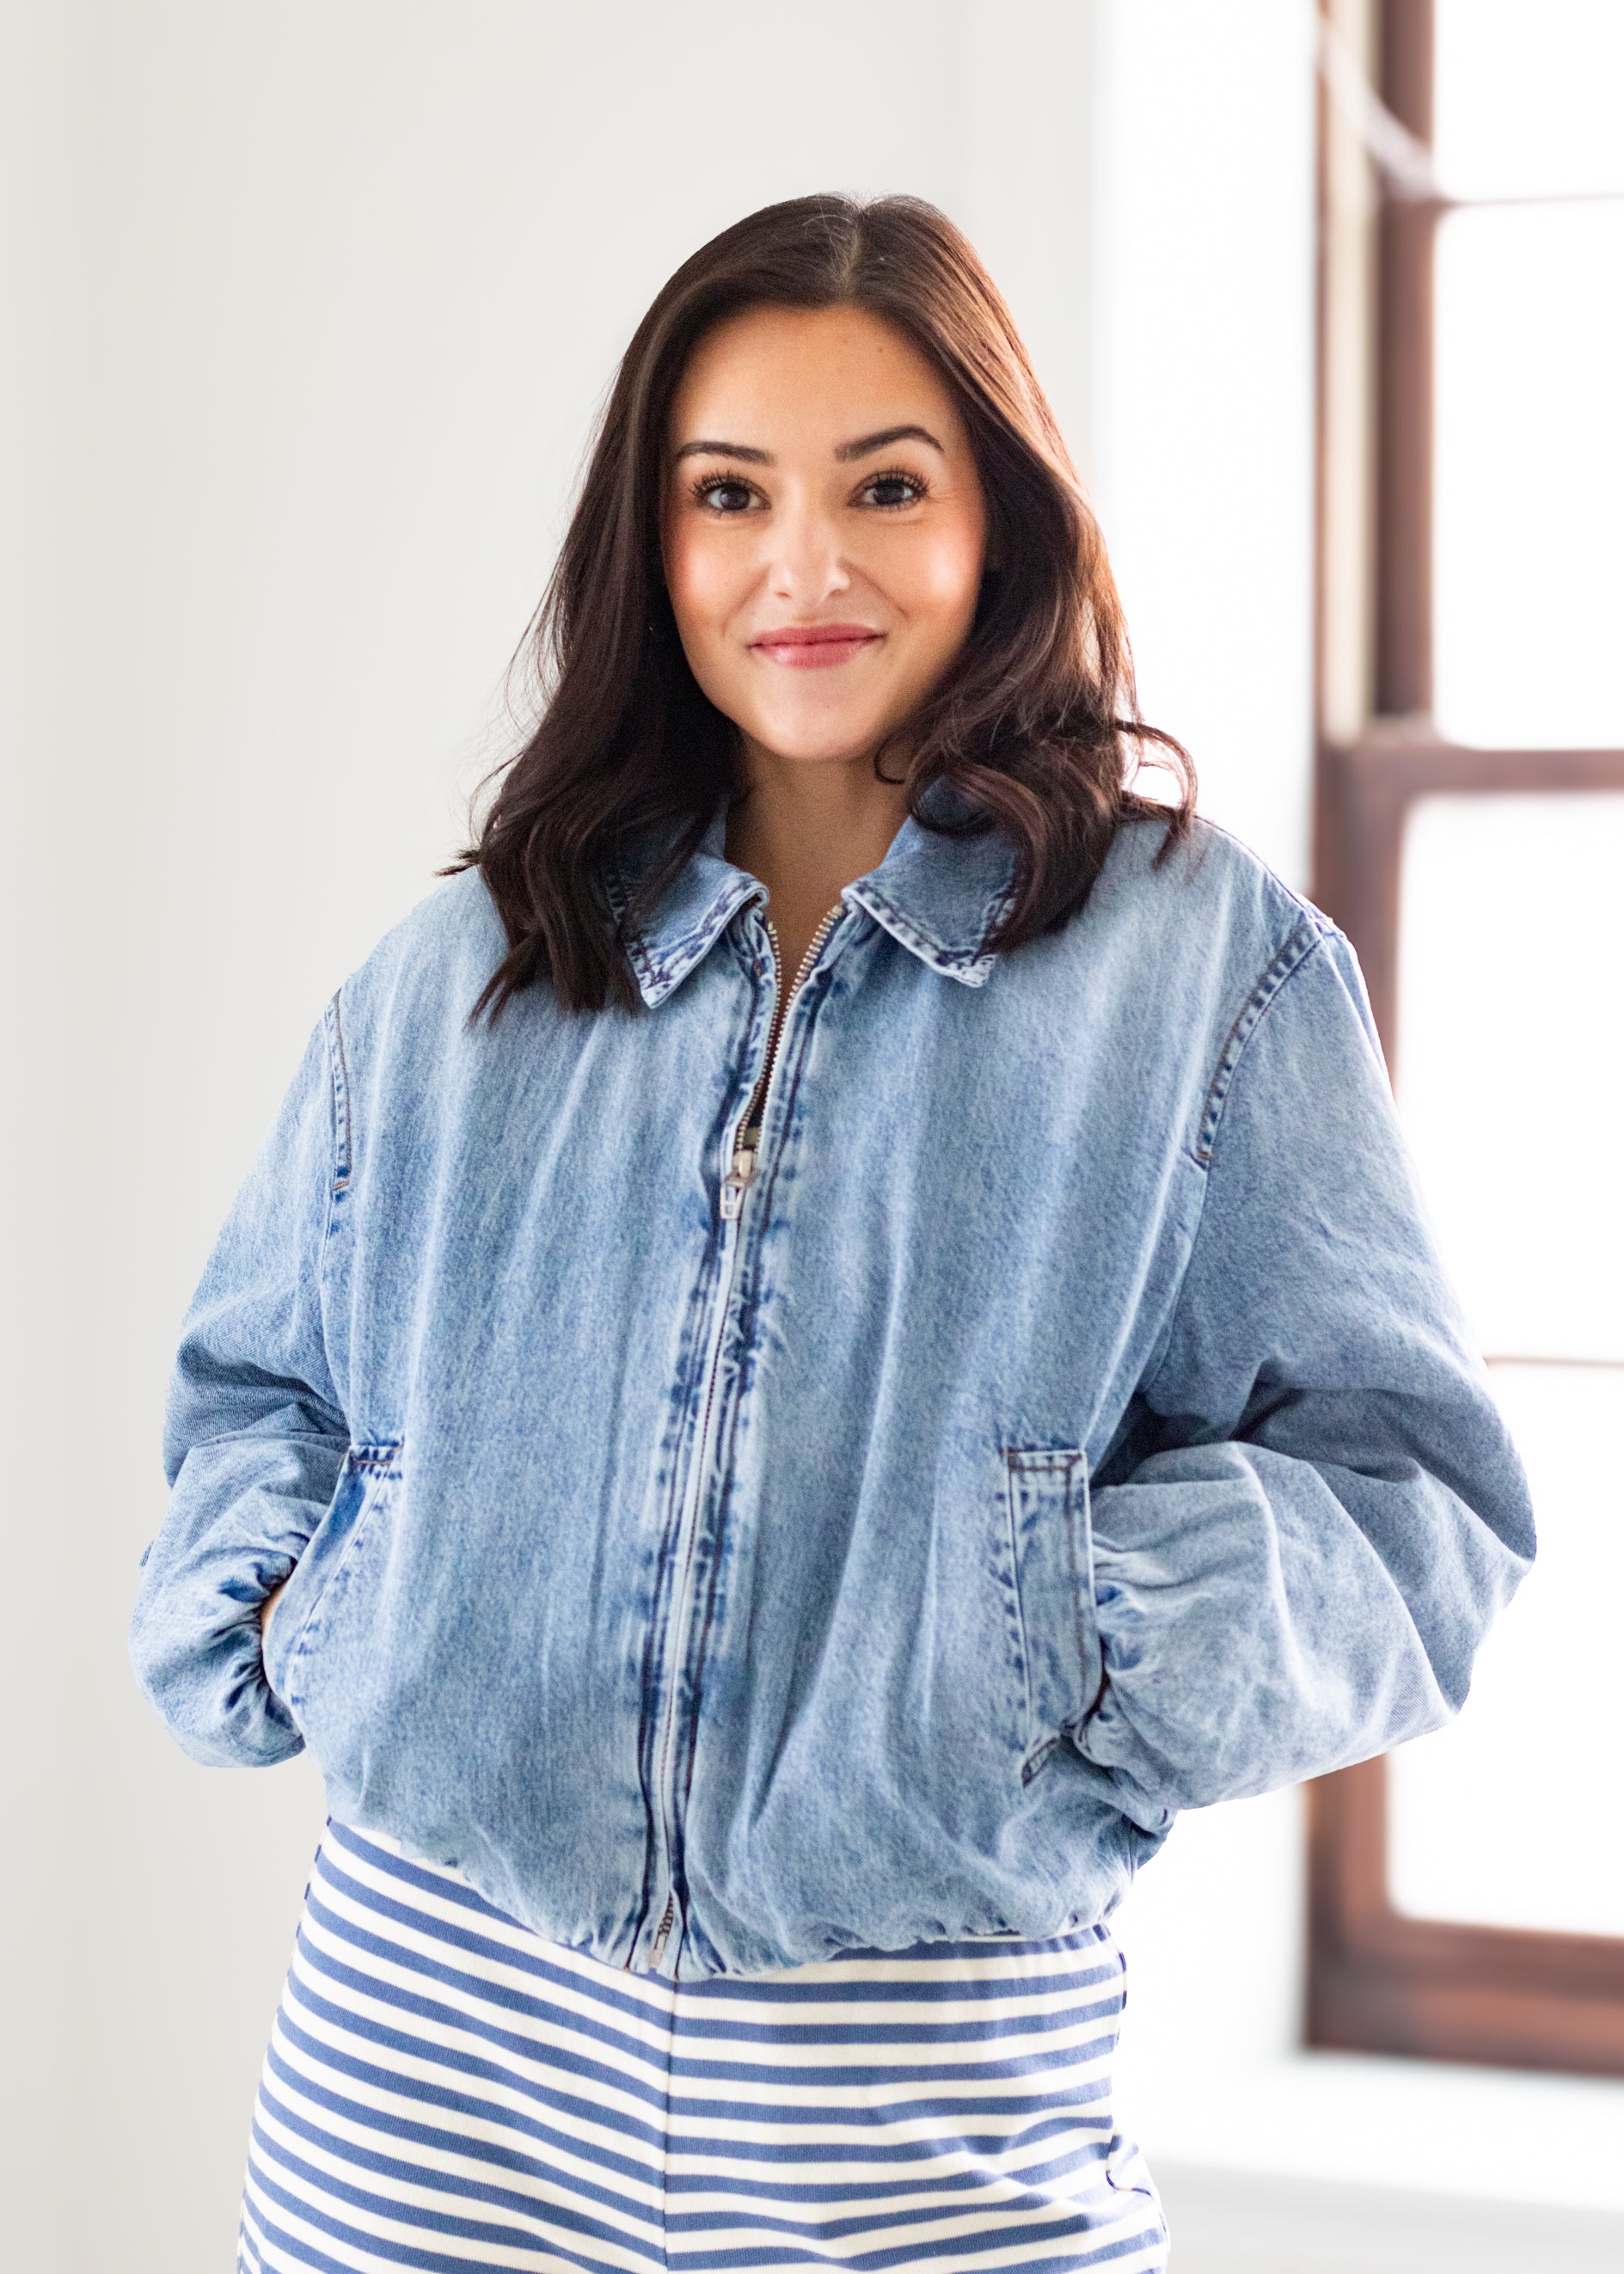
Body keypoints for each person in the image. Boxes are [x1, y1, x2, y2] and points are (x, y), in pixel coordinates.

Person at [131, 195, 1532, 2274]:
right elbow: (258, 1394)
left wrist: (1068, 1628)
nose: (806, 566)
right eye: (730, 495)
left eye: (887, 484)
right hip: (425, 2074)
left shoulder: (1199, 973)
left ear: (1001, 524)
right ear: (658, 544)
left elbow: (1417, 1507)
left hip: (929, 2112)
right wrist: (339, 1610)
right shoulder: (464, 974)